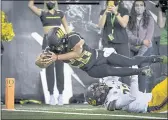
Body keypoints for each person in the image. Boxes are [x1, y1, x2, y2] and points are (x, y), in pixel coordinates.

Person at [35, 27, 167, 78]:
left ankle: (156, 58)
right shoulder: (52, 49)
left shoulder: (72, 36)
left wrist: (57, 57)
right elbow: (39, 63)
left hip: (100, 56)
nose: (58, 49)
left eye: (59, 45)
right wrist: (40, 60)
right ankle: (141, 71)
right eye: (55, 47)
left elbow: (77, 53)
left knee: (129, 61)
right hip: (90, 69)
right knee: (112, 72)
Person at [28, 0, 70, 105]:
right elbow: (30, 5)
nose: (50, 1)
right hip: (47, 42)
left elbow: (67, 28)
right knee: (49, 69)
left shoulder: (60, 13)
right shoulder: (42, 12)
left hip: (59, 42)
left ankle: (61, 95)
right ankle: (51, 95)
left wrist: (69, 41)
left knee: (60, 69)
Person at [85, 71, 168, 113]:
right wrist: (134, 76)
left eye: (98, 87)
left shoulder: (108, 83)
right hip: (152, 104)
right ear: (98, 99)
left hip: (152, 95)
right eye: (98, 91)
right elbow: (133, 96)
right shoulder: (111, 102)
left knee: (160, 80)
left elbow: (115, 71)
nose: (101, 88)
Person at [98, 0, 130, 85]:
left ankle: (127, 90)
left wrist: (116, 13)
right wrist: (105, 12)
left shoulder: (124, 10)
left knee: (125, 66)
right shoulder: (103, 11)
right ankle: (108, 90)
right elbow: (100, 25)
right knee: (108, 68)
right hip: (108, 43)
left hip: (121, 43)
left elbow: (124, 24)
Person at [126, 0, 155, 92]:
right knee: (130, 72)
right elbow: (129, 36)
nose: (139, 7)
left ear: (144, 7)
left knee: (142, 70)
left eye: (141, 5)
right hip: (131, 48)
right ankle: (131, 95)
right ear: (134, 7)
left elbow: (148, 40)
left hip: (146, 49)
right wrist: (141, 41)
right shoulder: (129, 19)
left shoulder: (150, 19)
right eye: (137, 5)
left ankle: (142, 95)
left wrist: (139, 56)